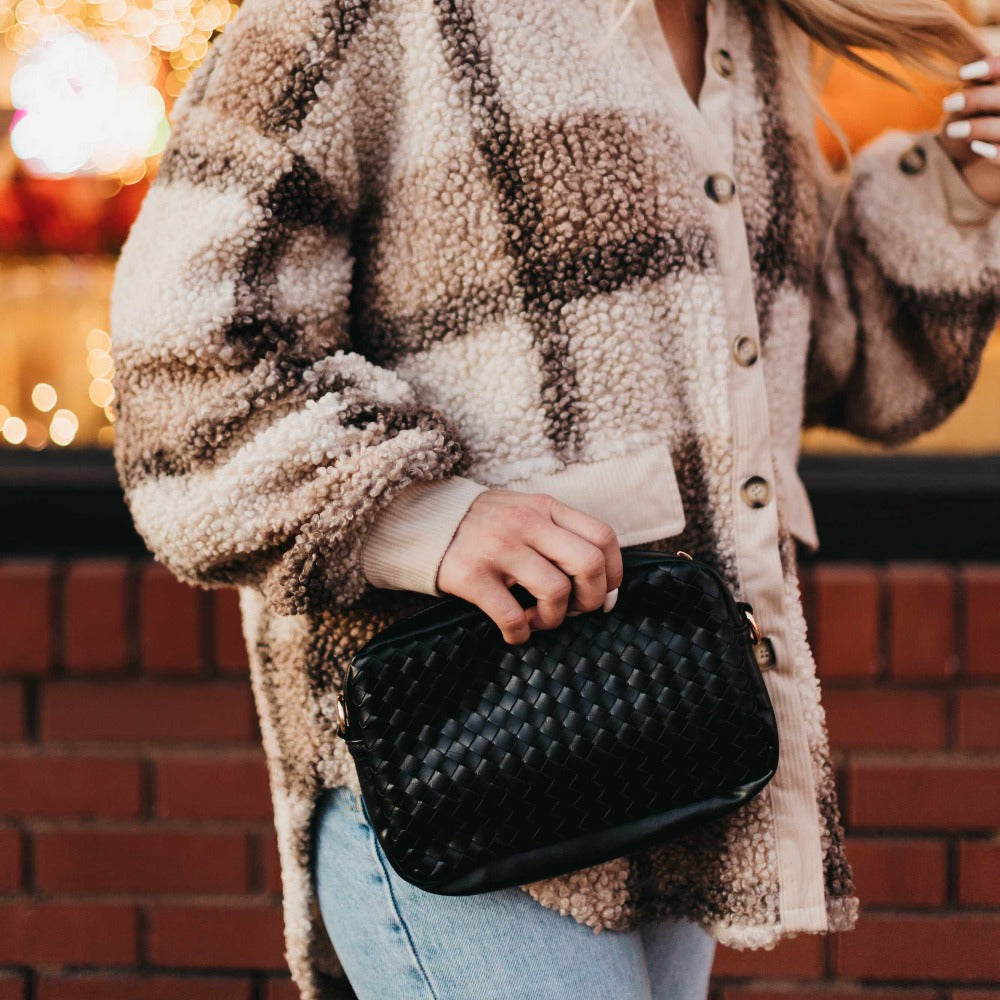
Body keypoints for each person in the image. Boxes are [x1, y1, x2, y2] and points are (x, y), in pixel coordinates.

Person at [108, 0, 1000, 996]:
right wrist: (421, 514)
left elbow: (830, 363)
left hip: (667, 748)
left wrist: (966, 185)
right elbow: (182, 362)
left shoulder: (747, 34)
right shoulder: (366, 15)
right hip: (463, 764)